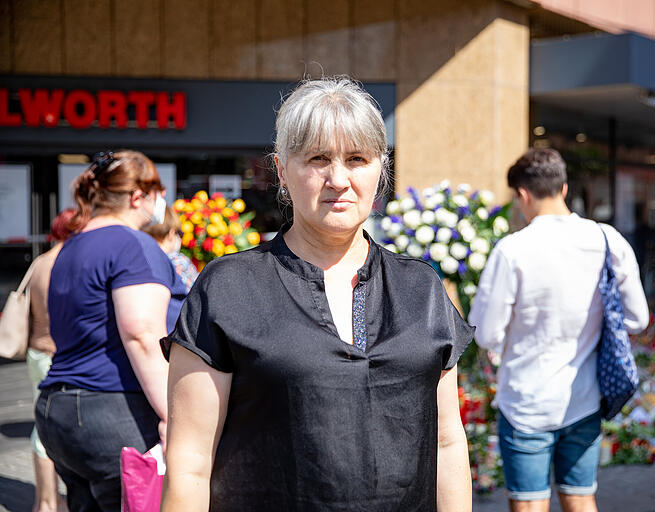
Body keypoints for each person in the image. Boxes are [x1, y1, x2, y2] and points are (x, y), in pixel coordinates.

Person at [160, 77, 474, 511]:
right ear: (282, 169)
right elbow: (190, 461)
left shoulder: (420, 289)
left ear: (380, 169)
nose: (338, 179)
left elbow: (446, 443)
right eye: (318, 159)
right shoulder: (229, 288)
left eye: (357, 158)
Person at [468, 148, 649, 512]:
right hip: (584, 398)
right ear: (564, 188)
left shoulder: (513, 250)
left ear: (522, 195)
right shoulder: (607, 239)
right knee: (581, 499)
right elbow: (638, 319)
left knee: (529, 505)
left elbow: (485, 333)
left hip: (526, 402)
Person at [35, 150, 187, 511]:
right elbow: (142, 334)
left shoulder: (69, 248)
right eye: (157, 193)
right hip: (114, 411)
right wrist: (173, 416)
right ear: (138, 197)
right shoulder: (134, 246)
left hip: (57, 410)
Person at [27, 208, 75, 512]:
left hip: (36, 353)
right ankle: (48, 502)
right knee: (49, 431)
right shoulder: (65, 264)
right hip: (55, 355)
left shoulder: (40, 262)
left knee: (41, 425)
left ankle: (46, 500)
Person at [143, 205, 199, 294]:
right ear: (171, 233)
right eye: (179, 233)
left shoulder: (140, 259)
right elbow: (197, 294)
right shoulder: (179, 261)